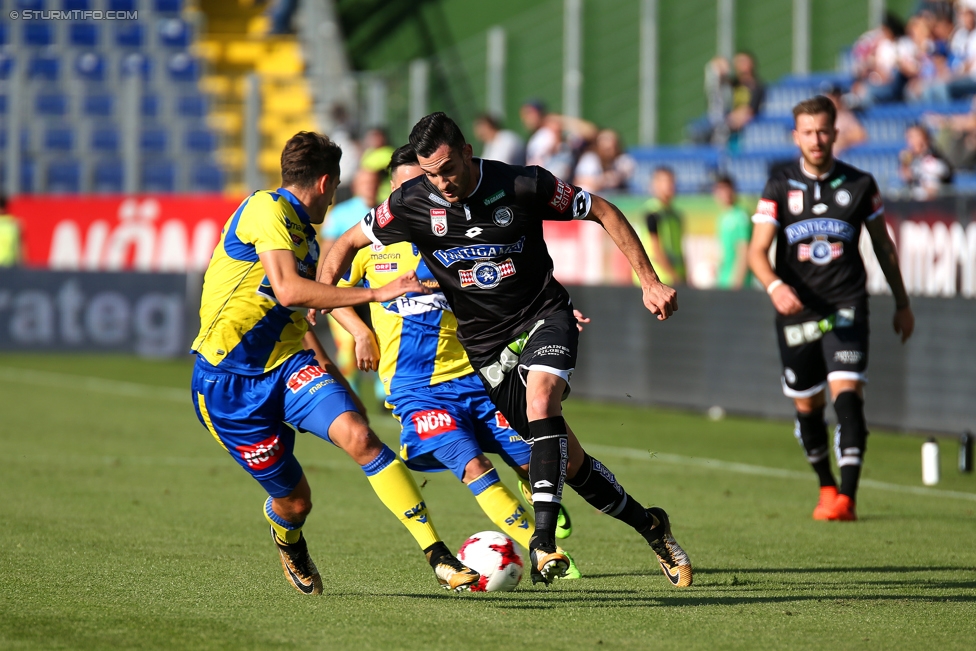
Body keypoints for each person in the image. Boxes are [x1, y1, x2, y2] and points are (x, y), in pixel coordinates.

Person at [319, 112, 691, 587]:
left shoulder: (520, 183)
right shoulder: (411, 202)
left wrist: (649, 280)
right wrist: (325, 296)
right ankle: (651, 526)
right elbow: (346, 243)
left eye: (448, 169)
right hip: (485, 343)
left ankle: (541, 540)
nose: (443, 183)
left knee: (541, 401)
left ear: (467, 152)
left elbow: (602, 210)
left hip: (542, 314)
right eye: (431, 174)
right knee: (569, 462)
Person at [189, 131, 480, 595]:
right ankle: (288, 537)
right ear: (326, 183)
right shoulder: (267, 209)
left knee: (360, 436)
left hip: (287, 366)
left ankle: (437, 554)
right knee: (295, 502)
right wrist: (375, 294)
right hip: (227, 385)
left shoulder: (304, 234)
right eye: (338, 185)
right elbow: (288, 291)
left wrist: (328, 367)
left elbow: (292, 313)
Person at [325, 144, 582, 581]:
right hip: (415, 388)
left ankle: (533, 495)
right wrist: (360, 330)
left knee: (538, 457)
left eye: (419, 186)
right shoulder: (373, 247)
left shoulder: (450, 234)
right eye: (403, 188)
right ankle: (544, 555)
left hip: (475, 376)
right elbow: (332, 292)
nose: (412, 198)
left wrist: (551, 312)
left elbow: (505, 279)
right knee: (475, 467)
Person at [747, 96, 915, 522]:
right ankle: (826, 485)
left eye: (823, 130)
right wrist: (774, 286)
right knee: (808, 407)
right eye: (808, 132)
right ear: (796, 136)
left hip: (847, 305)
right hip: (796, 311)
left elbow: (883, 248)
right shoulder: (779, 186)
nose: (817, 139)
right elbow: (756, 252)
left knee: (849, 397)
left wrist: (902, 302)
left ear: (836, 133)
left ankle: (848, 498)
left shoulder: (861, 184)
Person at [643, 167, 685, 286]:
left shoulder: (675, 215)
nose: (670, 185)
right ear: (655, 185)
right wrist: (675, 276)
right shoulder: (652, 212)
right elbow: (656, 249)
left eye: (672, 181)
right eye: (665, 181)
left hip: (674, 278)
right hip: (657, 281)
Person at [712, 175, 753, 290]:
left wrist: (737, 282)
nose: (725, 193)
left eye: (727, 189)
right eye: (720, 189)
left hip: (736, 283)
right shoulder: (722, 218)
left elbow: (744, 252)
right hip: (723, 281)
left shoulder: (740, 216)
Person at [573, 129, 635, 194]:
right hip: (597, 195)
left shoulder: (624, 160)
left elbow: (625, 178)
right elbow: (580, 180)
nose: (607, 152)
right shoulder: (590, 158)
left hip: (619, 196)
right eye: (605, 149)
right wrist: (602, 180)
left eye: (611, 148)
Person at [900, 123, 953, 199]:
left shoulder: (933, 160)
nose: (910, 142)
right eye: (908, 137)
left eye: (914, 137)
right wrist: (904, 163)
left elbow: (932, 191)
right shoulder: (913, 160)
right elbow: (905, 176)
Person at [0, 194, 22, 267]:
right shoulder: (15, 224)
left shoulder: (14, 225)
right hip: (10, 268)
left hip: (9, 268)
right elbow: (20, 252)